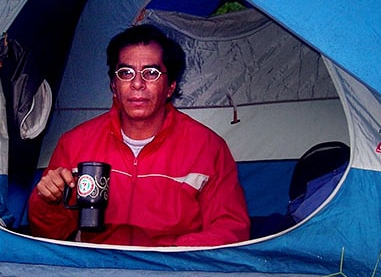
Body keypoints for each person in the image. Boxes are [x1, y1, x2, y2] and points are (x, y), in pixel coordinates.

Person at [28, 24, 250, 246]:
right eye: (126, 73)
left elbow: (231, 230)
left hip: (173, 272)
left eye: (151, 73)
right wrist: (48, 201)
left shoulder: (208, 148)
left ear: (171, 86)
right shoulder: (75, 143)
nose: (137, 84)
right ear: (114, 85)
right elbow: (48, 236)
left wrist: (168, 254)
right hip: (96, 271)